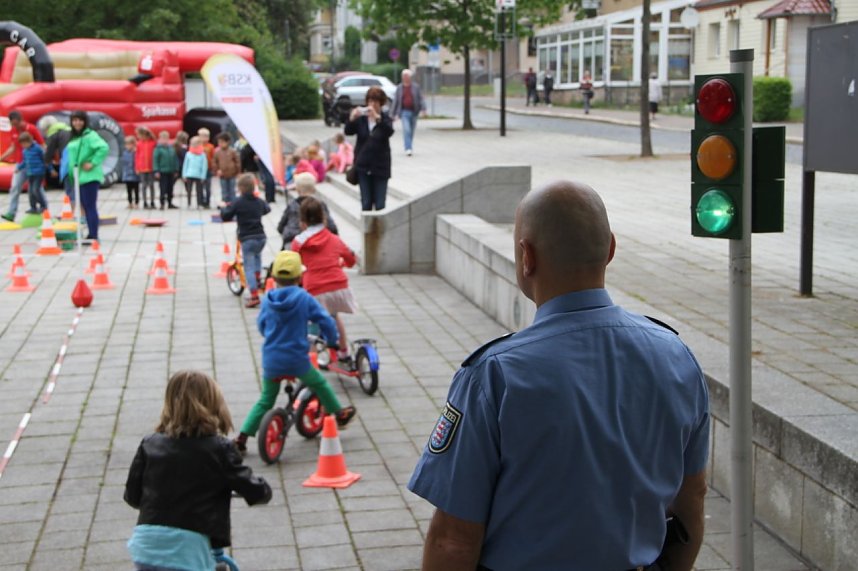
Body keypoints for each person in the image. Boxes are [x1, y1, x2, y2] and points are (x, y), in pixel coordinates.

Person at [408, 180, 710, 571]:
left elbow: (453, 539)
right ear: (610, 249)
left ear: (526, 257)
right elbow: (692, 500)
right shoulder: (676, 356)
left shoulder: (494, 375)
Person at [124, 370, 272, 571]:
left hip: (146, 546)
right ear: (214, 405)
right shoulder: (220, 448)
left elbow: (133, 497)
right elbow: (255, 491)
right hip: (187, 551)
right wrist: (263, 489)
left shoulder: (149, 443)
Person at [232, 250, 357, 454]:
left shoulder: (267, 300)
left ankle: (242, 438)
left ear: (274, 277)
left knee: (266, 400)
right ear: (300, 277)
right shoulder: (304, 298)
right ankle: (340, 414)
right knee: (319, 383)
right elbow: (325, 320)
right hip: (297, 359)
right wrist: (332, 341)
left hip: (271, 360)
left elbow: (262, 326)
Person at [291, 197, 357, 366]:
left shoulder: (299, 243)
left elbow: (294, 264)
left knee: (312, 326)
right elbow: (351, 259)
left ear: (302, 222)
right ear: (324, 218)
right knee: (334, 315)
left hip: (316, 290)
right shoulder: (334, 238)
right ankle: (343, 353)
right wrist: (343, 263)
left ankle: (311, 364)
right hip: (340, 288)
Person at [219, 174, 270, 308]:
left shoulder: (238, 202)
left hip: (247, 238)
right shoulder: (258, 201)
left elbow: (226, 216)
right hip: (261, 237)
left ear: (241, 188)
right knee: (257, 258)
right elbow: (267, 209)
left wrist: (223, 208)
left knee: (248, 266)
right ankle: (257, 280)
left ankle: (254, 295)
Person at [344, 86, 394, 211]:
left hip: (381, 166)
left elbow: (389, 132)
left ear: (381, 103)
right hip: (363, 165)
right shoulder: (362, 119)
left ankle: (379, 224)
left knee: (380, 204)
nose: (372, 105)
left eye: (375, 101)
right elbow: (348, 131)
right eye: (370, 101)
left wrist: (377, 118)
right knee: (366, 202)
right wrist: (352, 118)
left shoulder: (384, 118)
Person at [66, 111, 109, 242]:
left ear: (85, 122)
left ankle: (94, 235)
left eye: (80, 120)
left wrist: (93, 163)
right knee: (85, 206)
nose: (77, 123)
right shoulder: (74, 137)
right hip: (79, 176)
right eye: (75, 120)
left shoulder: (90, 135)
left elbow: (104, 147)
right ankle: (90, 233)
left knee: (90, 206)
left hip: (89, 176)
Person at [2, 110, 45, 222]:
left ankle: (45, 210)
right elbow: (13, 147)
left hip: (34, 165)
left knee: (37, 189)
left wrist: (46, 161)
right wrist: (2, 157)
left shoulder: (31, 129)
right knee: (15, 187)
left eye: (16, 124)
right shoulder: (14, 130)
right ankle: (11, 212)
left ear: (20, 120)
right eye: (13, 124)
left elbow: (42, 145)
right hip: (21, 163)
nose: (15, 126)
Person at [277, 172, 338, 250]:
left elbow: (280, 227)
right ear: (314, 189)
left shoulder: (292, 205)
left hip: (292, 240)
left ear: (297, 189)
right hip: (316, 241)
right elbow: (331, 226)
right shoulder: (320, 205)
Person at [390, 69, 427, 156]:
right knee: (407, 130)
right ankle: (408, 148)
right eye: (404, 76)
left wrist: (424, 109)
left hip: (414, 111)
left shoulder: (416, 87)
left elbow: (421, 98)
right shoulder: (399, 88)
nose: (405, 78)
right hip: (404, 112)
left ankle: (409, 144)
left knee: (411, 131)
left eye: (407, 76)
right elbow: (396, 101)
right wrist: (392, 114)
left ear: (410, 77)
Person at [40, 115, 73, 208]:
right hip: (78, 160)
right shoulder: (67, 128)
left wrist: (46, 163)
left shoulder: (53, 133)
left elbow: (49, 152)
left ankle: (73, 209)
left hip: (68, 162)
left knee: (69, 188)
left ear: (47, 128)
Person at [15, 132, 49, 214]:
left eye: (25, 143)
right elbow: (24, 161)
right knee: (30, 191)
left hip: (39, 173)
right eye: (22, 144)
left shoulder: (37, 148)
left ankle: (43, 206)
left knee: (35, 190)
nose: (23, 146)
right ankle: (33, 207)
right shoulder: (25, 151)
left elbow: (45, 158)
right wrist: (19, 168)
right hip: (30, 173)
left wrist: (50, 169)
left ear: (30, 141)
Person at [153, 130, 179, 210]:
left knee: (170, 188)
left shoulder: (171, 148)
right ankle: (162, 203)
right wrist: (156, 171)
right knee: (163, 188)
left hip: (171, 171)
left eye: (166, 138)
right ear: (160, 139)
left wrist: (176, 169)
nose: (164, 140)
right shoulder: (158, 149)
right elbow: (155, 161)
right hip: (162, 172)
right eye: (163, 139)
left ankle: (170, 202)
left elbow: (175, 159)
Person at [213, 132, 241, 203]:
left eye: (222, 142)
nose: (220, 144)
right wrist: (217, 170)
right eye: (219, 142)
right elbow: (214, 162)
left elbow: (237, 162)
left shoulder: (233, 151)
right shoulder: (217, 152)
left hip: (232, 174)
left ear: (227, 142)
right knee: (224, 190)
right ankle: (225, 203)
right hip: (222, 175)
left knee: (232, 190)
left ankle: (233, 203)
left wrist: (238, 172)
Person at [182, 136, 208, 209]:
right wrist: (184, 175)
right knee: (189, 190)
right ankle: (189, 204)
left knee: (199, 190)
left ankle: (199, 204)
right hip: (189, 174)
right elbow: (185, 165)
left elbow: (204, 166)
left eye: (196, 143)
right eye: (192, 143)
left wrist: (203, 176)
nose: (194, 145)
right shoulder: (188, 154)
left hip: (199, 175)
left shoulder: (202, 154)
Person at [135, 127, 156, 209]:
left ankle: (152, 201)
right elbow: (137, 156)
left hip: (151, 168)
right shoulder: (139, 144)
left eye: (139, 135)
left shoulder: (153, 143)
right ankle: (144, 202)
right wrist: (137, 167)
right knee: (143, 185)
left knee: (151, 185)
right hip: (142, 168)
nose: (138, 137)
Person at [198, 128, 215, 208]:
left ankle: (207, 202)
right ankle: (201, 201)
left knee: (208, 186)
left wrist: (213, 168)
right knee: (200, 187)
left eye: (206, 136)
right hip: (199, 169)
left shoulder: (211, 146)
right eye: (202, 136)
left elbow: (213, 158)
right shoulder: (197, 146)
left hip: (208, 169)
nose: (204, 138)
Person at [121, 136, 140, 209]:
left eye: (130, 144)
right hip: (127, 174)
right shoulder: (124, 153)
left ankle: (137, 203)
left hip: (135, 174)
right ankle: (130, 202)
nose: (128, 146)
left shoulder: (136, 152)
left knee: (136, 190)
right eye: (127, 144)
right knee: (128, 190)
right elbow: (123, 163)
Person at [173, 131, 189, 206]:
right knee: (187, 184)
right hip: (181, 168)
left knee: (173, 183)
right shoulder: (183, 148)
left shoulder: (174, 146)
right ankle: (189, 200)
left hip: (178, 167)